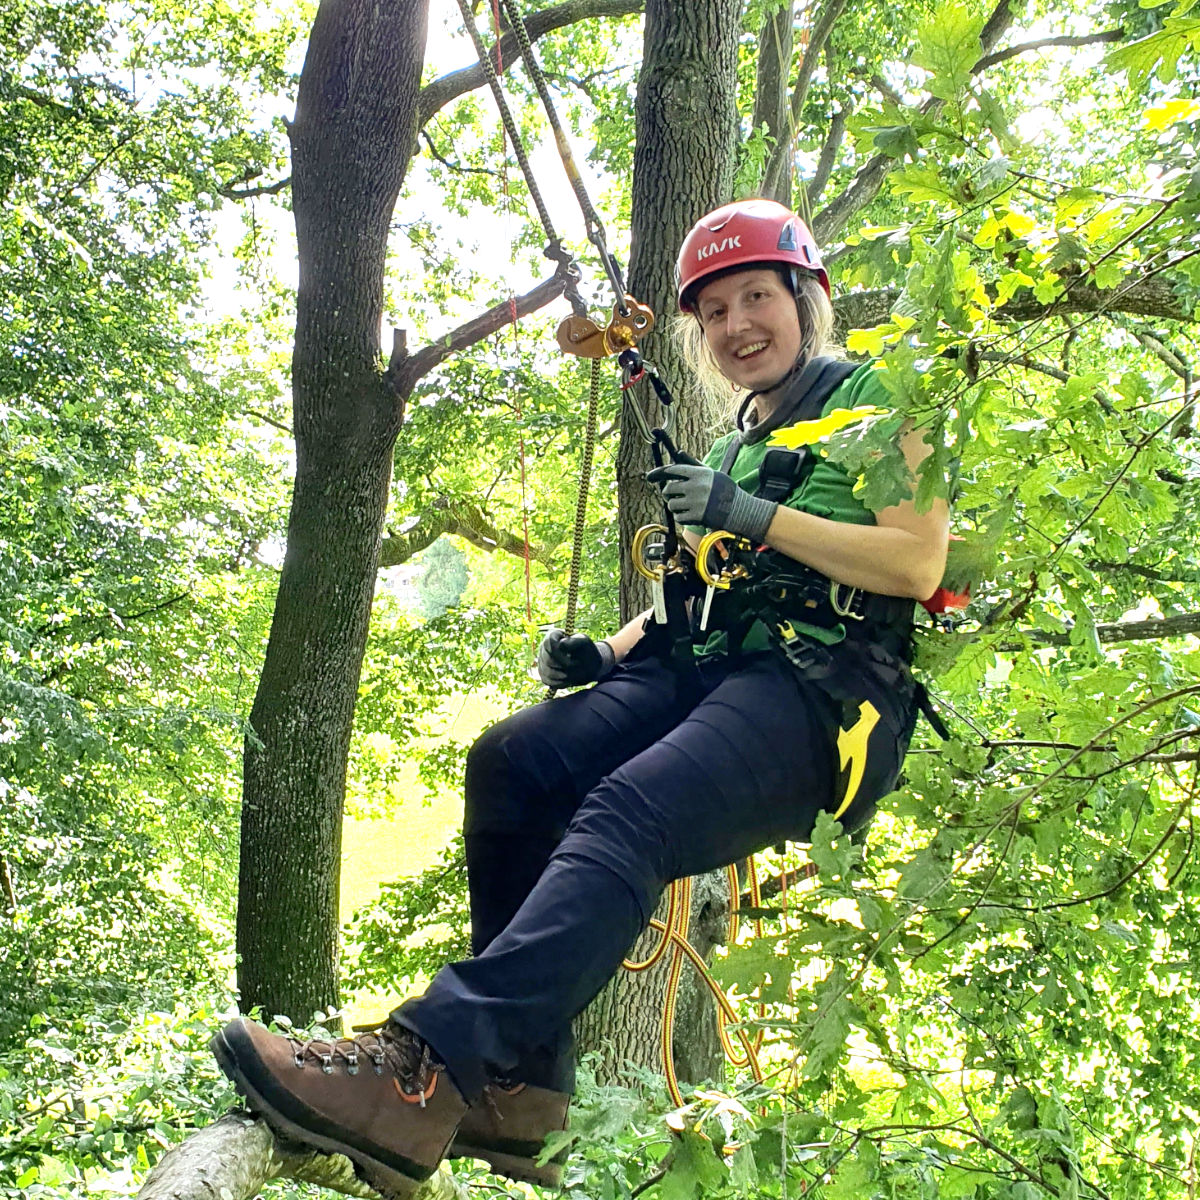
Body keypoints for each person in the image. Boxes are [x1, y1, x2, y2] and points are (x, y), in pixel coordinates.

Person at [210, 198, 950, 1199]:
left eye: (757, 298)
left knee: (630, 810)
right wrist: (604, 652)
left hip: (822, 691)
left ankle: (424, 1064)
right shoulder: (730, 448)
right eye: (717, 311)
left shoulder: (880, 401)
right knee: (515, 763)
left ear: (805, 298)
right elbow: (703, 598)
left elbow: (915, 560)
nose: (737, 326)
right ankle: (522, 1093)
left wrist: (747, 512)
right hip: (707, 668)